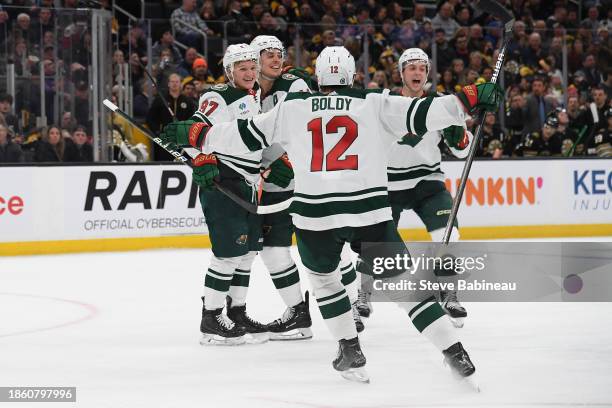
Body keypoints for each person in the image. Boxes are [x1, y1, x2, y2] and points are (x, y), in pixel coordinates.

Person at [161, 46, 502, 383]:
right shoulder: (374, 101)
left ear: (318, 77)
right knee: (404, 287)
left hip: (315, 215)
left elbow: (244, 135)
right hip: (369, 211)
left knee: (326, 281)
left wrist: (196, 135)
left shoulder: (293, 107)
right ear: (353, 74)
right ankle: (455, 351)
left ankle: (349, 349)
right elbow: (426, 111)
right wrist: (470, 97)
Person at [165, 44, 285, 346]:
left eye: (251, 68)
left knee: (247, 254)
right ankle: (211, 319)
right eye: (242, 69)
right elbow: (192, 131)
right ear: (230, 72)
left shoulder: (255, 96)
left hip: (249, 184)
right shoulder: (216, 97)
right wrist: (200, 159)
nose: (249, 73)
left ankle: (237, 312)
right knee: (227, 255)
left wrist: (275, 161)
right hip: (224, 182)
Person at [252, 35, 363, 338]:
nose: (276, 59)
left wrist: (283, 160)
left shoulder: (295, 85)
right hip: (273, 187)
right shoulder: (246, 93)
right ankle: (299, 314)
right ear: (254, 58)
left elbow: (308, 128)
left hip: (308, 183)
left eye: (279, 53)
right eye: (268, 54)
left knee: (328, 248)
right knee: (273, 251)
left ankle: (353, 304)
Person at [356, 48, 473, 328]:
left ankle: (448, 293)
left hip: (427, 182)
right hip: (386, 182)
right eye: (411, 68)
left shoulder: (440, 104)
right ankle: (363, 295)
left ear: (427, 73)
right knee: (374, 242)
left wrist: (459, 138)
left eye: (422, 68)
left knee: (447, 234)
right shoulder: (384, 103)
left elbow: (462, 151)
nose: (417, 72)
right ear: (401, 72)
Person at [146, 73, 197, 161]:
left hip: (182, 141)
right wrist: (158, 132)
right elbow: (150, 118)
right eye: (172, 81)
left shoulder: (188, 101)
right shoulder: (160, 100)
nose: (174, 84)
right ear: (168, 84)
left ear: (181, 84)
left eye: (177, 82)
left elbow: (192, 119)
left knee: (183, 163)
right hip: (165, 140)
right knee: (164, 162)